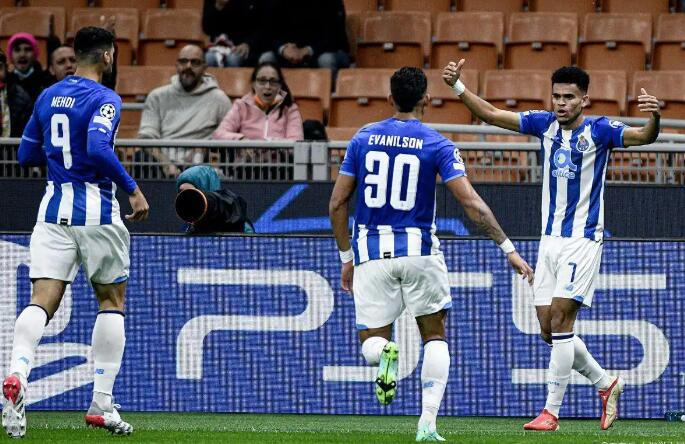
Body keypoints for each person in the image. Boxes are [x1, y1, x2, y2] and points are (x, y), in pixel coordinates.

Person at [442, 60, 662, 431]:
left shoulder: (600, 130)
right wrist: (457, 87)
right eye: (557, 96)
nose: (561, 103)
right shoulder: (543, 124)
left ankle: (551, 412)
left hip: (582, 239)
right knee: (548, 329)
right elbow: (492, 114)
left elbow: (644, 137)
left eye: (569, 97)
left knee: (561, 319)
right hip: (549, 241)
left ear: (584, 100)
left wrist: (654, 117)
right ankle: (606, 383)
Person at [329, 67, 534, 442]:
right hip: (420, 251)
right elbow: (471, 204)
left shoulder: (362, 138)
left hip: (371, 254)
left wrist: (346, 257)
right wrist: (508, 247)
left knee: (370, 343)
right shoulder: (437, 144)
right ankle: (427, 424)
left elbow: (337, 203)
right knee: (435, 337)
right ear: (426, 99)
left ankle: (386, 351)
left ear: (390, 99)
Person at [2, 26, 149, 438]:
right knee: (111, 300)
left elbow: (25, 153)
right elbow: (99, 148)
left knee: (41, 300)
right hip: (97, 210)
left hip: (52, 210)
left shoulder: (47, 96)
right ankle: (101, 403)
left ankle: (17, 373)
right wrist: (133, 189)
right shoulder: (105, 99)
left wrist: (58, 158)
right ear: (107, 57)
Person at [138, 44, 231, 178]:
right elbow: (146, 137)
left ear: (204, 67)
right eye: (183, 61)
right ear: (176, 65)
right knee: (140, 157)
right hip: (162, 163)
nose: (188, 66)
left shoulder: (219, 99)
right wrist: (166, 164)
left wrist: (207, 147)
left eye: (195, 62)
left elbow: (228, 134)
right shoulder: (157, 96)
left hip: (199, 164)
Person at [212, 61, 302, 179]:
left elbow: (297, 143)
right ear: (254, 84)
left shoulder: (290, 109)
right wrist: (242, 140)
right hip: (245, 170)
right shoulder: (241, 105)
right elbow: (218, 134)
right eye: (262, 81)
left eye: (273, 81)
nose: (267, 86)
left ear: (280, 86)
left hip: (280, 171)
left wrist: (267, 144)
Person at [261, 0, 350, 79]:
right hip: (289, 53)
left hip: (325, 50)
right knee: (266, 58)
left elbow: (333, 37)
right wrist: (283, 49)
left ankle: (331, 91)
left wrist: (306, 50)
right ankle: (270, 93)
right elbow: (268, 33)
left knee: (326, 60)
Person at [202, 0, 271, 67]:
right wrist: (219, 6)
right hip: (221, 45)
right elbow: (207, 28)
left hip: (249, 45)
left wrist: (248, 43)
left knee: (233, 59)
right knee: (209, 58)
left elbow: (264, 26)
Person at [6, 33, 52, 102]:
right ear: (10, 55)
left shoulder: (47, 83)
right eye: (17, 50)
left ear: (35, 54)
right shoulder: (6, 83)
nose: (22, 55)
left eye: (28, 49)